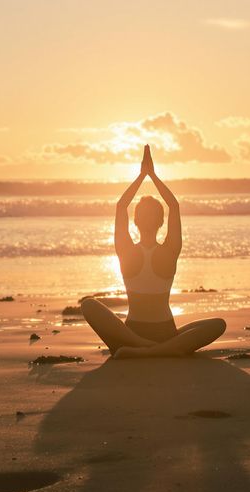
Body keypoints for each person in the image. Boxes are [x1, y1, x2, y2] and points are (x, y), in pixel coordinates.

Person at [81, 145, 226, 358]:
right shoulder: (146, 251)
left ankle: (143, 349)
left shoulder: (143, 250)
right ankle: (158, 349)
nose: (148, 218)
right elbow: (126, 207)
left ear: (159, 222)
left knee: (218, 324)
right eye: (145, 214)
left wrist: (149, 175)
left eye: (151, 215)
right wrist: (146, 176)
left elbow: (166, 206)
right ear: (138, 221)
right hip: (157, 335)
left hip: (135, 335)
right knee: (88, 305)